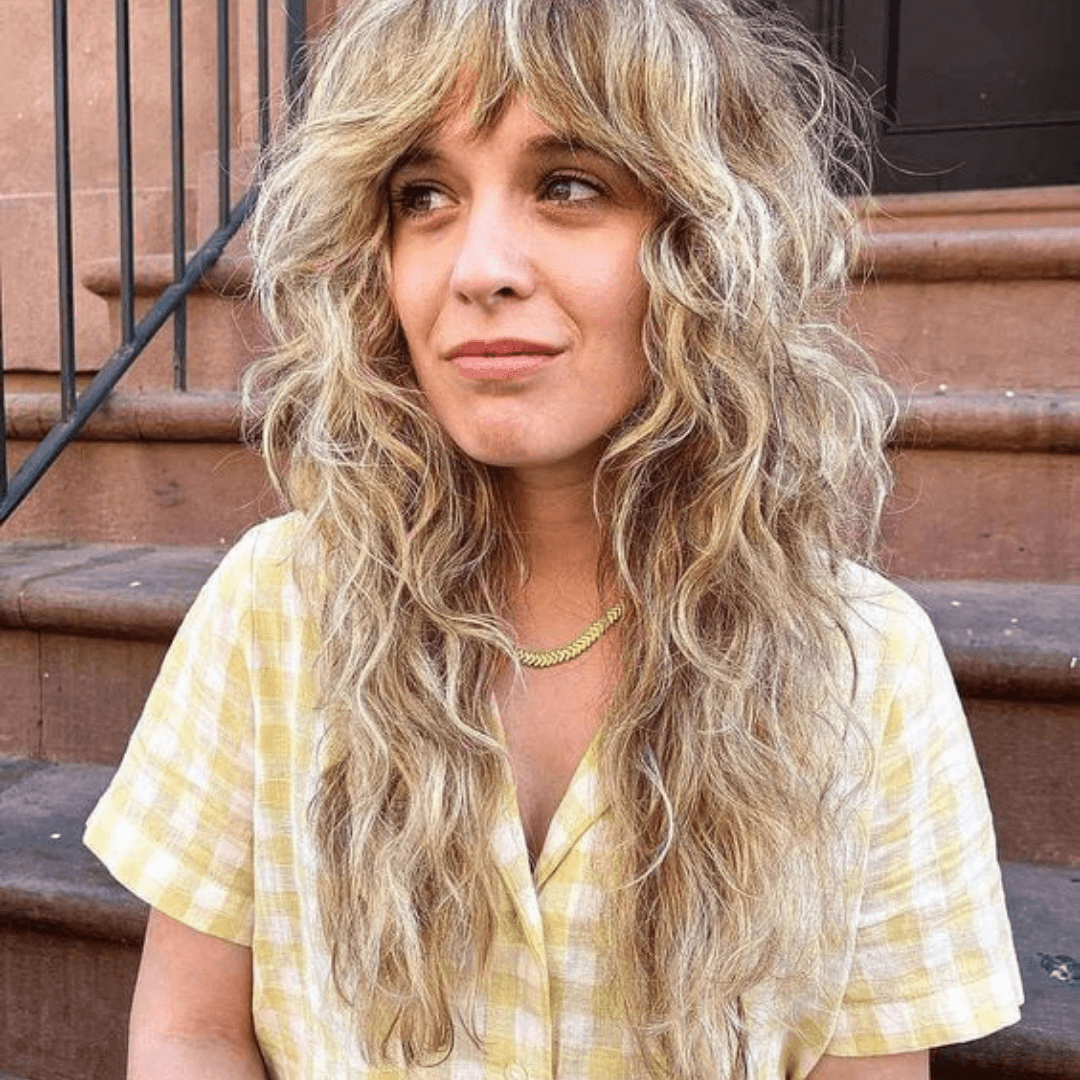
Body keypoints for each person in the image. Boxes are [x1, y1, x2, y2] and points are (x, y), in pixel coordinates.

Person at [84, 0, 1023, 1076]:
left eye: (568, 185)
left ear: (711, 244)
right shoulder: (274, 608)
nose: (478, 267)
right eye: (423, 196)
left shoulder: (864, 666)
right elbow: (190, 1029)